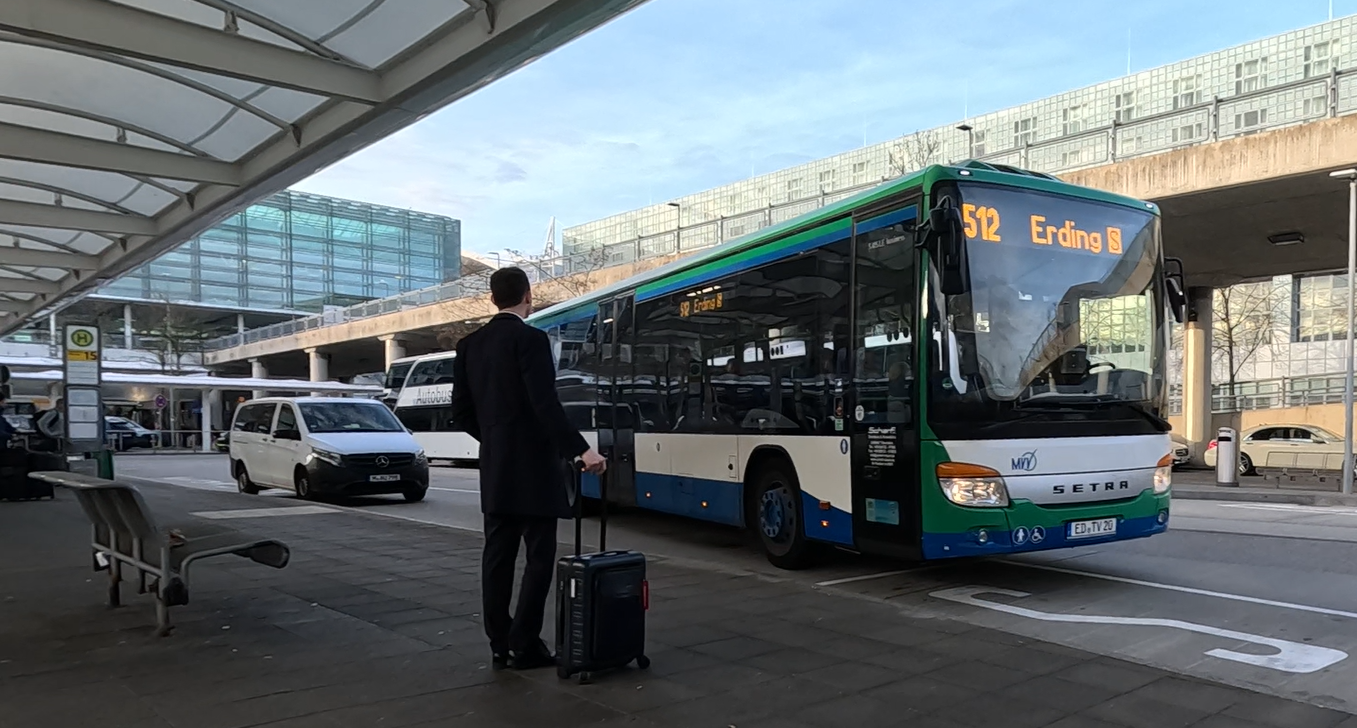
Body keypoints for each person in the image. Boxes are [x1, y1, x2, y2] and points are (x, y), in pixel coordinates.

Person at [450, 267, 607, 671]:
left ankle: (498, 642)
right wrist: (581, 451)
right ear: (528, 296)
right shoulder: (531, 340)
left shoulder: (468, 346)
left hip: (497, 469)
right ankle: (525, 644)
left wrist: (496, 439)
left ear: (492, 299)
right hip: (535, 468)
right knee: (539, 558)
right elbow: (544, 404)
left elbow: (461, 412)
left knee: (496, 557)